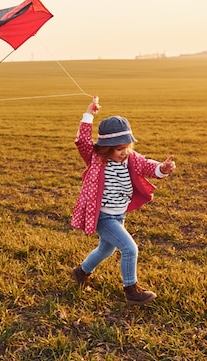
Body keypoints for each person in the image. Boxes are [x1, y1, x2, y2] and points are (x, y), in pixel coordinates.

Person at [70, 97, 176, 305]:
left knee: (105, 250)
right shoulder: (96, 158)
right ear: (106, 148)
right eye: (119, 149)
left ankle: (81, 273)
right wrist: (89, 114)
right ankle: (131, 290)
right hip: (102, 215)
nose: (124, 152)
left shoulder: (131, 158)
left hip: (119, 214)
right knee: (130, 248)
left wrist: (161, 169)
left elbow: (147, 166)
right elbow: (83, 141)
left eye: (127, 147)